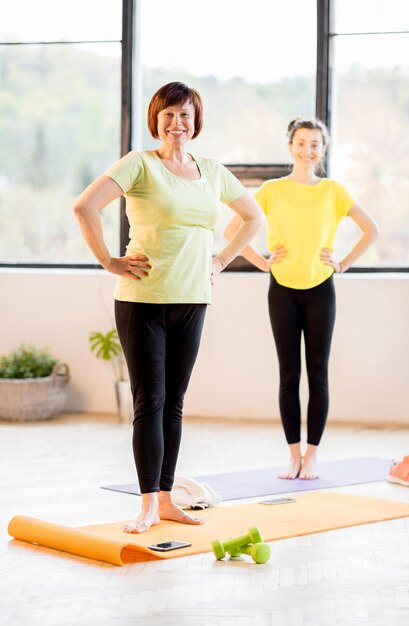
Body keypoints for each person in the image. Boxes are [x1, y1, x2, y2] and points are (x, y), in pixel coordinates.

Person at [73, 82, 262, 533]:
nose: (177, 123)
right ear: (155, 119)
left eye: (186, 115)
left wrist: (221, 259)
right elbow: (85, 207)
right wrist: (108, 260)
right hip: (143, 301)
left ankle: (166, 497)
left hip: (193, 298)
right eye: (169, 115)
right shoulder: (139, 164)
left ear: (196, 121)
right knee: (149, 401)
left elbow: (255, 217)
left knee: (174, 403)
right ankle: (146, 506)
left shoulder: (212, 170)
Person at [225, 117, 379, 480]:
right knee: (289, 375)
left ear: (322, 150)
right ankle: (292, 455)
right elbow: (233, 229)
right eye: (301, 143)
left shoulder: (334, 191)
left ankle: (313, 457)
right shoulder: (272, 190)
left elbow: (372, 230)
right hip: (282, 290)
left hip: (320, 290)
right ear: (290, 146)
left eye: (314, 144)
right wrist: (262, 262)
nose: (307, 150)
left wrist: (342, 263)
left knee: (318, 375)